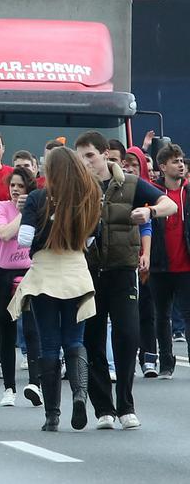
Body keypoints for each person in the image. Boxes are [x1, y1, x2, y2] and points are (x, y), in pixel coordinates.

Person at [74, 131, 173, 429]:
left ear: (105, 154)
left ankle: (126, 404)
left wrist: (150, 211)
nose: (86, 162)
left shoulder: (129, 183)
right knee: (91, 340)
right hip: (87, 273)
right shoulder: (77, 187)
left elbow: (171, 205)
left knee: (128, 337)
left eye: (90, 155)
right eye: (80, 158)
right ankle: (103, 408)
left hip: (122, 271)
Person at [10, 146, 102, 431]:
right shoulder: (89, 197)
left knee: (48, 343)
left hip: (45, 276)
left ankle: (52, 415)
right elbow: (88, 242)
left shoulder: (38, 198)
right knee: (75, 341)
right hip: (76, 274)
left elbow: (24, 240)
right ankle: (79, 395)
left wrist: (40, 225)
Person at [0, 165, 43, 409]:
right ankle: (9, 387)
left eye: (21, 186)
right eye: (13, 186)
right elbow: (6, 234)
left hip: (30, 272)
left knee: (32, 330)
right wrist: (22, 213)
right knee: (6, 331)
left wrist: (30, 209)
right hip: (4, 273)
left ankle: (35, 384)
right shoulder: (0, 208)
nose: (16, 191)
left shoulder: (38, 207)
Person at [150, 144, 190, 378]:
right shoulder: (152, 193)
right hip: (159, 266)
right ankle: (166, 361)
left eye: (182, 160)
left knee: (188, 314)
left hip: (186, 266)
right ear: (162, 167)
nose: (181, 164)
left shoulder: (188, 192)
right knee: (161, 316)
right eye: (175, 161)